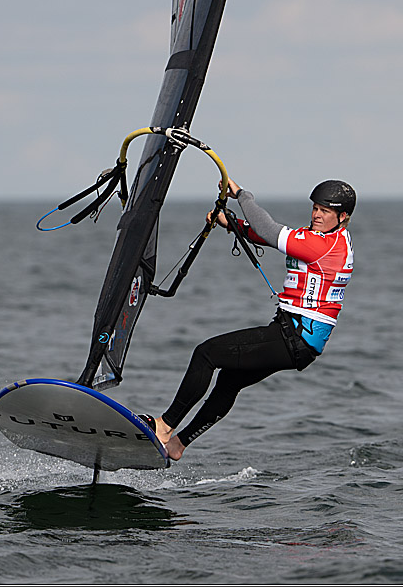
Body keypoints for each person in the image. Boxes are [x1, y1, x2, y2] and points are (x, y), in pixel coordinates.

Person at [143, 178, 356, 461]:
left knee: (206, 354)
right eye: (315, 208)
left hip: (294, 337)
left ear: (343, 217)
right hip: (295, 337)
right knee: (229, 382)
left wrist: (242, 195)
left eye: (325, 211)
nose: (317, 215)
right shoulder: (324, 239)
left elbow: (268, 229)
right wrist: (232, 224)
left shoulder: (325, 246)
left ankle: (165, 425)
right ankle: (178, 444)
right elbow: (266, 236)